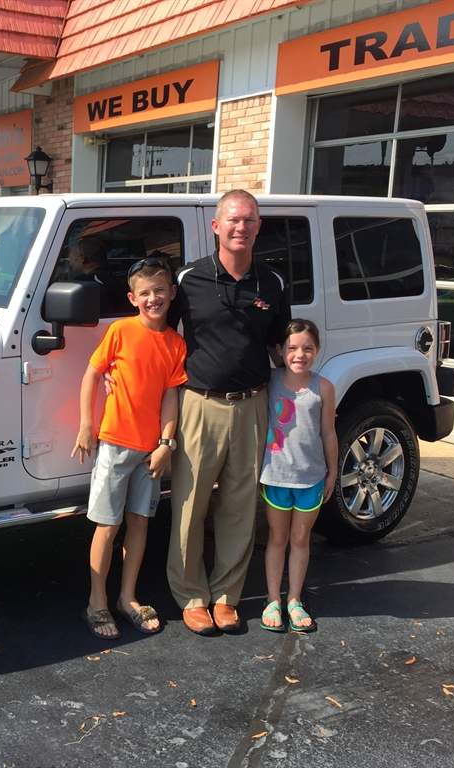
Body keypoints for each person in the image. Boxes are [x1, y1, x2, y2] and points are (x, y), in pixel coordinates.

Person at [166, 189, 291, 636]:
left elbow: (280, 347)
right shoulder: (188, 279)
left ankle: (225, 597)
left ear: (259, 227)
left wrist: (307, 396)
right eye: (233, 220)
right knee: (190, 505)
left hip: (253, 405)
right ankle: (190, 595)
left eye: (249, 219)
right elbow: (160, 336)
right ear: (216, 226)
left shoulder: (272, 282)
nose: (241, 227)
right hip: (199, 405)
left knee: (239, 506)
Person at [73, 258, 187, 639]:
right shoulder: (120, 331)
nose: (153, 298)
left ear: (172, 293)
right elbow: (92, 374)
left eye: (160, 290)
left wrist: (166, 443)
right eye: (145, 293)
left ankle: (127, 597)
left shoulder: (176, 344)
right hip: (115, 445)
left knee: (140, 522)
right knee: (108, 525)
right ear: (132, 298)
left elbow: (170, 397)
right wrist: (86, 425)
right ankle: (97, 601)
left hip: (150, 451)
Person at [259, 319, 337, 633]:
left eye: (307, 348)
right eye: (292, 348)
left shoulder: (323, 387)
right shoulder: (270, 380)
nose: (299, 355)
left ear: (317, 350)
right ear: (280, 350)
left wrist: (332, 472)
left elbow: (328, 433)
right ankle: (272, 599)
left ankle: (294, 599)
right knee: (277, 539)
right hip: (275, 475)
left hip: (310, 478)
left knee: (300, 540)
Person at [68, 238, 132, 316]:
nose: (70, 263)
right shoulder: (120, 281)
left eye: (70, 258)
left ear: (82, 257)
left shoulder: (83, 284)